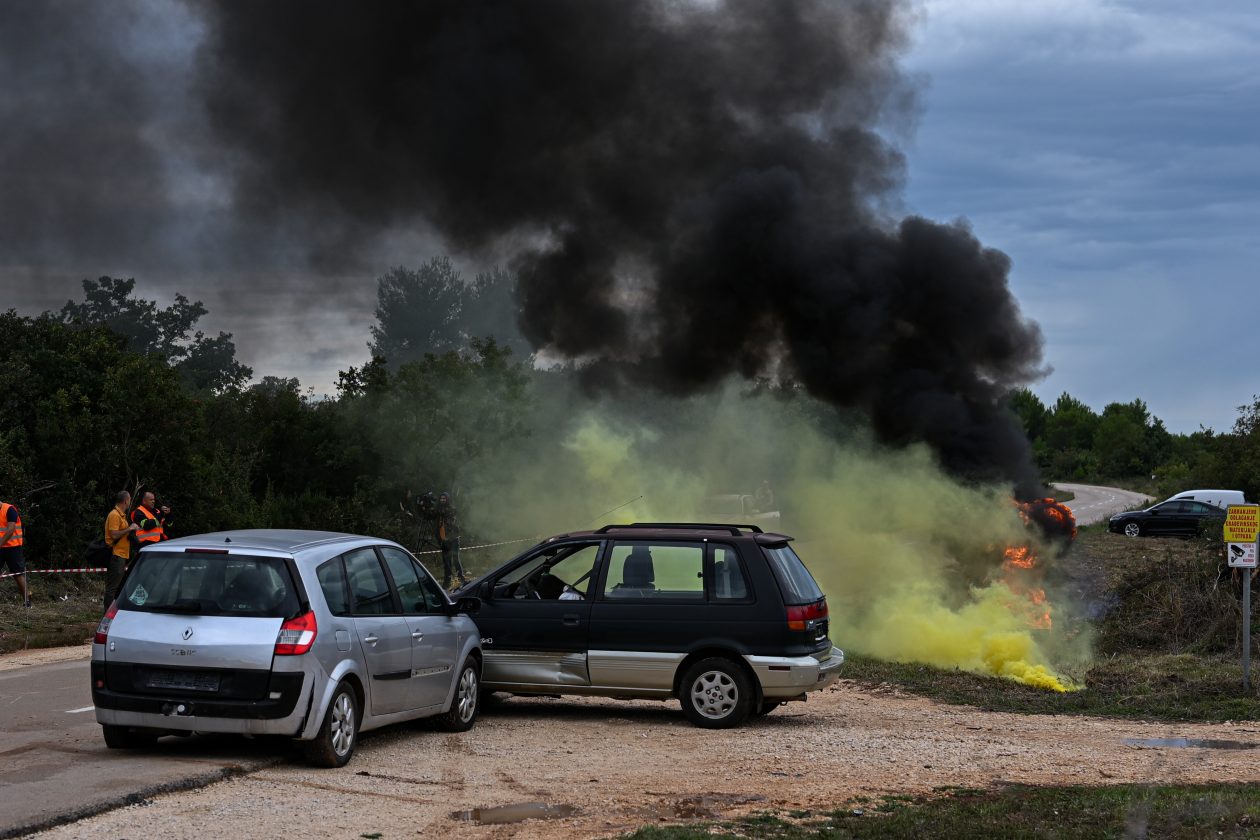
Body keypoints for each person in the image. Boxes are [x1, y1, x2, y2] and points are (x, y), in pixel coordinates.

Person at [104, 491, 138, 609]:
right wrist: (129, 529)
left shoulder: (121, 516)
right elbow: (114, 535)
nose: (129, 503)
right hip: (116, 555)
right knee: (113, 588)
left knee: (117, 587)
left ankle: (114, 613)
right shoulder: (114, 515)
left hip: (121, 555)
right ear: (125, 501)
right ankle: (108, 615)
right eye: (129, 500)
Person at [0, 499, 30, 608]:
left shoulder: (9, 509)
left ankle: (27, 602)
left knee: (18, 575)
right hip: (1, 548)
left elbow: (10, 529)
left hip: (13, 547)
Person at [436, 491, 467, 589]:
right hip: (444, 539)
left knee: (455, 559)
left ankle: (461, 580)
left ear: (447, 499)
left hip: (453, 538)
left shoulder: (452, 509)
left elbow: (450, 517)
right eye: (441, 499)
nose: (442, 500)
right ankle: (447, 582)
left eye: (444, 499)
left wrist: (441, 512)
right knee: (446, 561)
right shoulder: (439, 511)